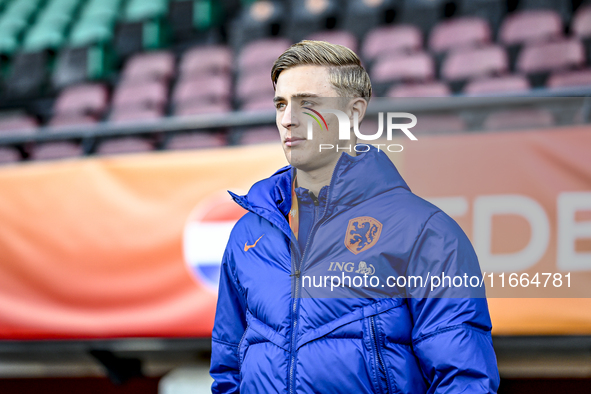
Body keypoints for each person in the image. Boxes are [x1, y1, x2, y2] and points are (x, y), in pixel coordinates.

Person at [210, 40, 500, 393]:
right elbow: (228, 368)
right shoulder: (248, 233)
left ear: (354, 112)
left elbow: (464, 380)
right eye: (281, 104)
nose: (288, 120)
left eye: (308, 103)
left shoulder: (426, 232)